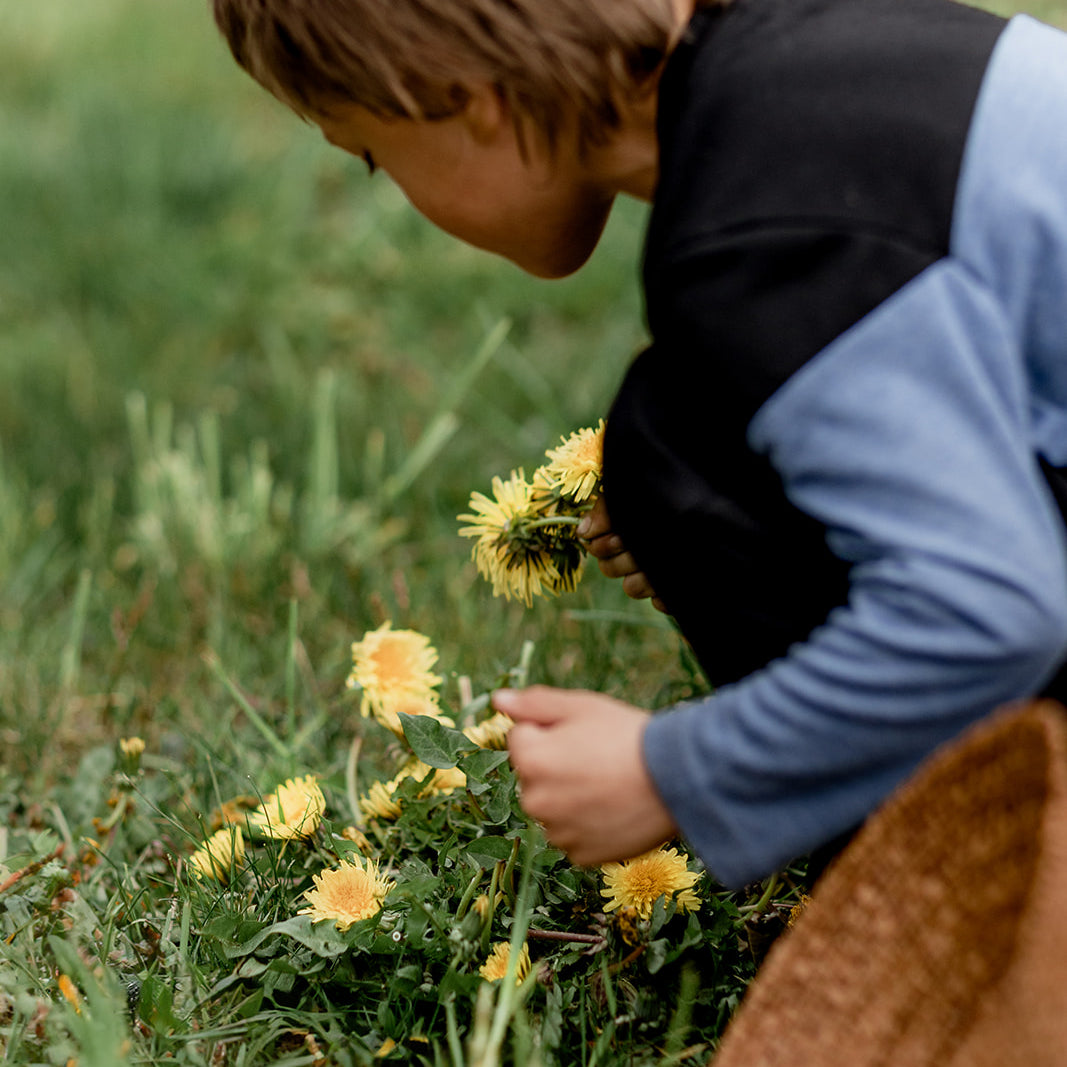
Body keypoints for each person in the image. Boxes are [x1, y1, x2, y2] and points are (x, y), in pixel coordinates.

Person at [211, 0, 1067, 889]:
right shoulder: (820, 63)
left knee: (676, 442)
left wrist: (671, 770)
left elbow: (990, 608)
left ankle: (959, 910)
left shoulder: (758, 230)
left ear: (463, 98)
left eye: (370, 155)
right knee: (703, 435)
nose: (392, 184)